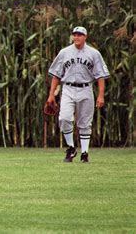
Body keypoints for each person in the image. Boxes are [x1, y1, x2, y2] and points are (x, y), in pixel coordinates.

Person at [47, 26, 110, 163]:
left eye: (80, 35)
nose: (77, 37)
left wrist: (100, 95)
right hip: (68, 88)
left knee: (85, 123)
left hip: (86, 88)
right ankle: (71, 148)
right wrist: (51, 94)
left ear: (85, 37)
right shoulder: (64, 52)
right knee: (64, 118)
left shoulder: (94, 53)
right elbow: (56, 75)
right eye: (75, 35)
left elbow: (100, 76)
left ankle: (85, 153)